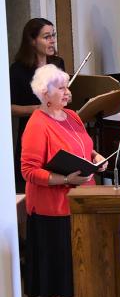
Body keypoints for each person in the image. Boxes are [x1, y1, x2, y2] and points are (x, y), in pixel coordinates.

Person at [20, 64, 106, 297]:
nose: (68, 92)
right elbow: (29, 171)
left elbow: (84, 146)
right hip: (51, 208)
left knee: (75, 259)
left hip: (79, 201)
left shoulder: (71, 116)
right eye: (62, 88)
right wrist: (65, 179)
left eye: (68, 87)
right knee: (56, 263)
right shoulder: (37, 123)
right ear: (45, 94)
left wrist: (96, 159)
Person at [10, 18, 64, 192]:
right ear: (32, 41)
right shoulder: (18, 70)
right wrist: (36, 109)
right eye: (46, 37)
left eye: (53, 36)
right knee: (36, 181)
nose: (52, 40)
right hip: (33, 133)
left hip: (58, 130)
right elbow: (9, 108)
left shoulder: (58, 63)